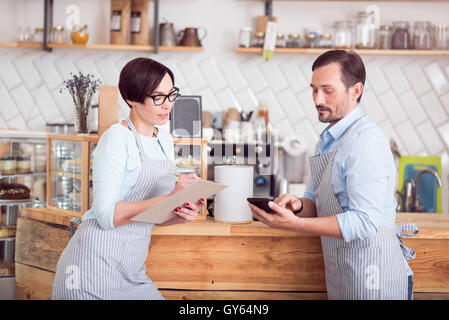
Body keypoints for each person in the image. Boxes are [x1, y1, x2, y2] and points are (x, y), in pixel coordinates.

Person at [249, 50, 418, 300]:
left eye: (328, 90)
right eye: (314, 89)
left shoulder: (365, 142)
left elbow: (365, 221)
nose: (317, 99)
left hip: (375, 277)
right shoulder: (329, 139)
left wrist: (296, 224)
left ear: (356, 90)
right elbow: (317, 203)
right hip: (346, 273)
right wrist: (296, 206)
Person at [52, 57, 206, 300]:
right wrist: (170, 196)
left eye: (171, 94)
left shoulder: (164, 140)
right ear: (131, 99)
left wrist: (179, 213)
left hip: (129, 270)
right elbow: (106, 216)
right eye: (158, 97)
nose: (167, 105)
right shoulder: (116, 137)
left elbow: (147, 217)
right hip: (91, 267)